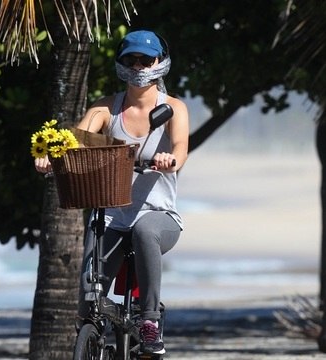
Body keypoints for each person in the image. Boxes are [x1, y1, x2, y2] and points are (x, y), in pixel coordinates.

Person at [35, 29, 189, 355]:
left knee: (146, 229)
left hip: (159, 216)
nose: (138, 66)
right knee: (89, 292)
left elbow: (180, 149)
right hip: (113, 218)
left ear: (160, 62)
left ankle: (149, 323)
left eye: (146, 59)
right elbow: (75, 139)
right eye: (130, 59)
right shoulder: (107, 109)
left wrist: (169, 159)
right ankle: (93, 335)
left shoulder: (173, 108)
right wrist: (53, 156)